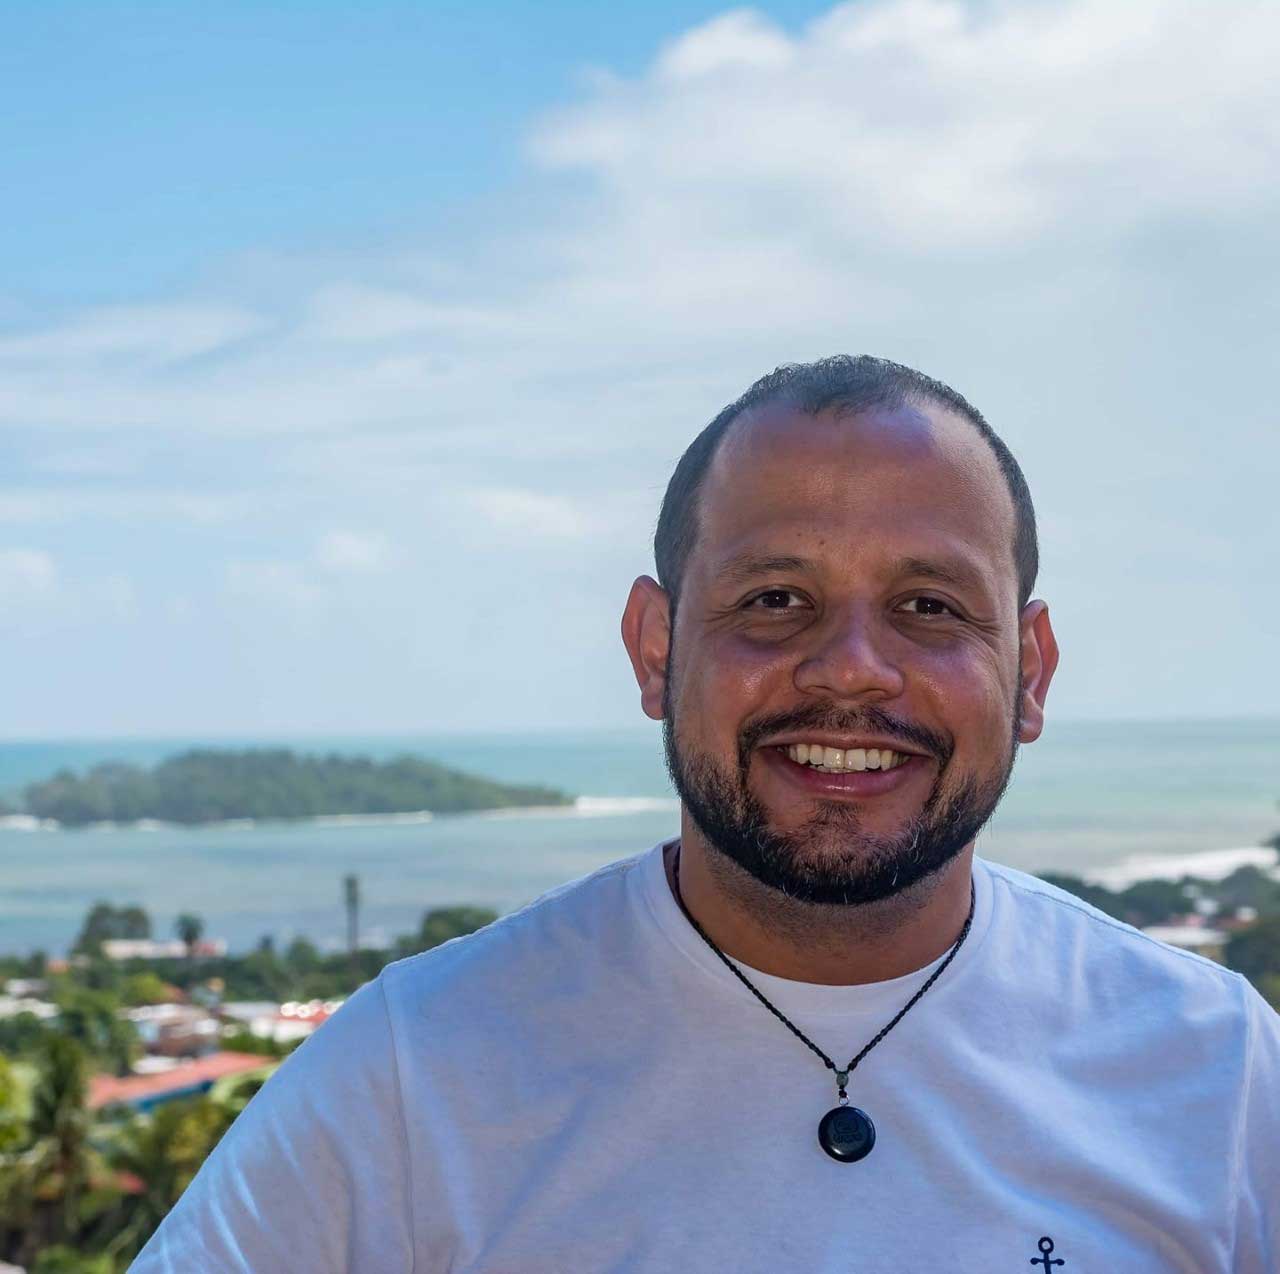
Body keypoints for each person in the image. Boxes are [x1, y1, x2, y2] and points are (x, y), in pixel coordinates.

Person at [130, 355, 1279, 1272]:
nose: (851, 668)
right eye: (774, 598)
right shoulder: (411, 1073)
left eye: (929, 606)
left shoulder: (1215, 1069)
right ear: (654, 648)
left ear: (1028, 671)